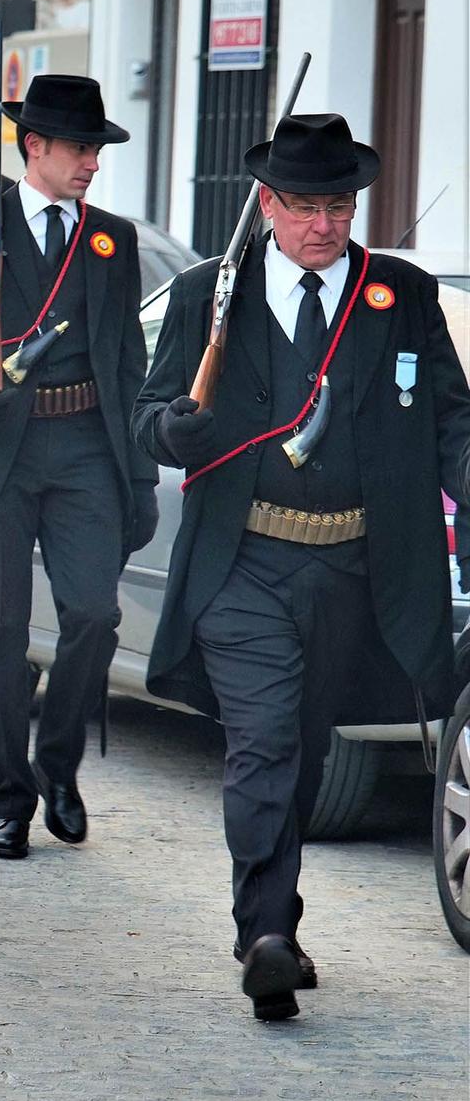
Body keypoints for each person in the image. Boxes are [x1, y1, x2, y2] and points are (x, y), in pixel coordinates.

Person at [133, 113, 470, 1021]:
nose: (325, 225)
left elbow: (453, 428)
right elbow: (149, 411)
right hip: (242, 566)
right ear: (268, 205)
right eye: (307, 206)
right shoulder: (214, 294)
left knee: (305, 749)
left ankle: (272, 921)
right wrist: (173, 428)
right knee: (264, 742)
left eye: (340, 205)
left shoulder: (398, 294)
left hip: (356, 571)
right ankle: (267, 935)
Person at [0, 74, 156, 860]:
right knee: (0, 632)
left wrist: (139, 473)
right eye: (81, 147)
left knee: (93, 616)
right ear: (36, 147)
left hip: (86, 445)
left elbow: (128, 363)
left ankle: (59, 766)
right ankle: (11, 796)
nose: (93, 161)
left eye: (96, 148)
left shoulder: (109, 239)